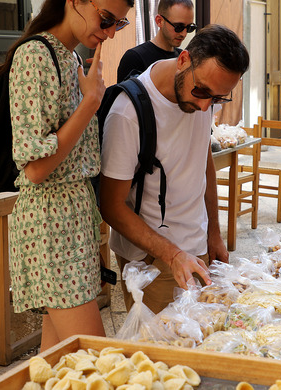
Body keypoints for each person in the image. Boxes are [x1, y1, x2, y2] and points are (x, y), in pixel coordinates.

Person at [0, 0, 134, 350]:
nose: (109, 32)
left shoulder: (69, 56)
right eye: (106, 19)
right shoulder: (36, 56)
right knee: (95, 357)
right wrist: (91, 103)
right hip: (50, 223)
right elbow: (35, 167)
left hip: (72, 218)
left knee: (59, 359)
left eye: (117, 23)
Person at [100, 24, 249, 314]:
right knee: (163, 352)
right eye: (202, 91)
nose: (206, 107)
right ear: (183, 60)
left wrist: (214, 234)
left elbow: (202, 163)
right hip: (153, 260)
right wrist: (172, 255)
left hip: (197, 246)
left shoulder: (201, 96)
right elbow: (111, 206)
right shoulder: (127, 113)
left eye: (217, 98)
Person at [116, 0, 196, 82]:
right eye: (178, 27)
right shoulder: (135, 58)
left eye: (189, 28)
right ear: (159, 21)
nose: (184, 34)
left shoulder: (182, 58)